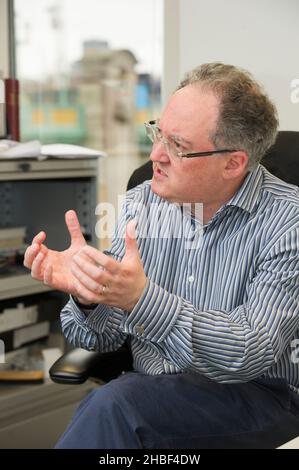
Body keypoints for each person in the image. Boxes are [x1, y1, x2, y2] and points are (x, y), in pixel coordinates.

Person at [24, 63, 299, 449]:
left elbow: (249, 352)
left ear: (233, 163)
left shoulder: (290, 223)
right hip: (150, 396)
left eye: (178, 146)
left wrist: (141, 299)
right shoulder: (141, 205)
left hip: (257, 398)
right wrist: (87, 296)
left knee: (116, 406)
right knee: (121, 405)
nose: (155, 155)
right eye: (157, 133)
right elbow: (99, 338)